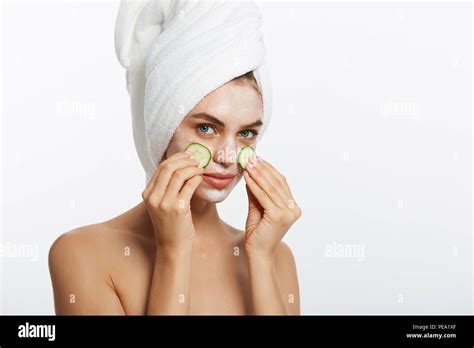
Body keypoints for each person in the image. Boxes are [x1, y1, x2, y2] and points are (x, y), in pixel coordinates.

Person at [49, 0, 302, 315]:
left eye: (246, 133)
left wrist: (261, 259)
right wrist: (173, 250)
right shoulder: (82, 253)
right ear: (163, 128)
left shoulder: (276, 255)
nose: (227, 156)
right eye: (207, 128)